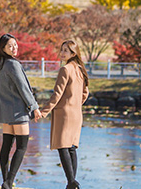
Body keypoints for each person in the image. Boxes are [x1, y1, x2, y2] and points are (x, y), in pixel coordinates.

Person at [0, 33, 42, 189]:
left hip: (6, 112)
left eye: (15, 44)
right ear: (3, 48)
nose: (14, 48)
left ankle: (6, 181)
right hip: (18, 112)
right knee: (21, 146)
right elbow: (24, 89)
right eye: (10, 46)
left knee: (6, 145)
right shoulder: (13, 64)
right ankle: (8, 182)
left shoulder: (0, 64)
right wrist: (34, 107)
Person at [41, 40, 89, 189]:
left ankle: (71, 182)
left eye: (66, 51)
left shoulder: (65, 69)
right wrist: (75, 103)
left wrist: (44, 112)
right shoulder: (80, 69)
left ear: (73, 53)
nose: (62, 53)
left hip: (65, 114)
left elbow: (57, 94)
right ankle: (72, 183)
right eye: (61, 50)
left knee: (63, 147)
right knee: (71, 148)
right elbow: (85, 93)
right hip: (76, 114)